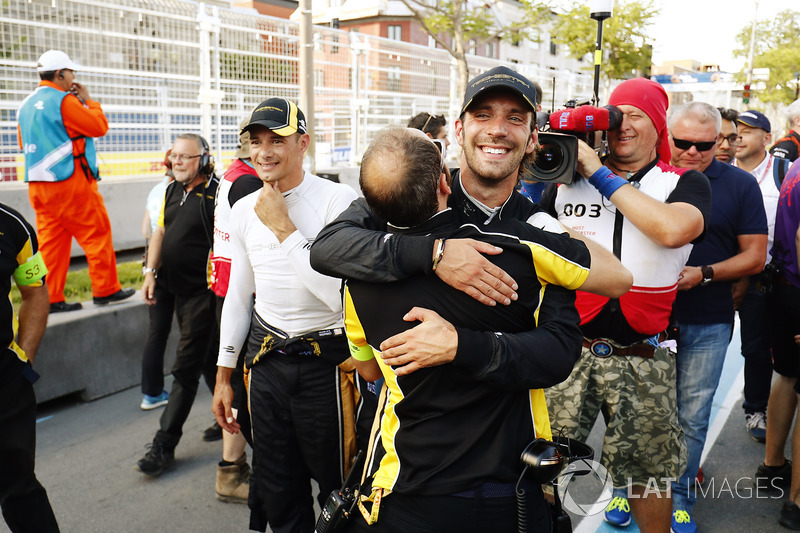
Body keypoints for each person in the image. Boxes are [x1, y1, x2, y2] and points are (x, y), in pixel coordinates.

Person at [341, 126, 599, 532]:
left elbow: (369, 371)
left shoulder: (358, 283)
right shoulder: (519, 248)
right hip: (508, 491)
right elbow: (562, 351)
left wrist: (452, 347)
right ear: (445, 181)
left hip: (407, 491)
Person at [540, 78, 711, 533]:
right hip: (569, 350)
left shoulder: (684, 182)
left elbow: (673, 231)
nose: (621, 124)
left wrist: (600, 173)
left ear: (659, 127)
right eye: (614, 114)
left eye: (635, 115)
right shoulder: (563, 179)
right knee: (542, 465)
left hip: (644, 354)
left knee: (648, 478)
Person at [211, 98, 363, 533]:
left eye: (276, 139)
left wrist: (283, 228)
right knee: (279, 492)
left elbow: (339, 299)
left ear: (303, 144)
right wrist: (224, 377)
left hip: (330, 365)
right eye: (255, 142)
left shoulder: (338, 201)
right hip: (265, 365)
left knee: (340, 494)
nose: (263, 151)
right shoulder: (243, 210)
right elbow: (240, 298)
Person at [667, 102, 767, 533]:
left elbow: (755, 255)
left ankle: (680, 493)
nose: (691, 151)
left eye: (703, 145)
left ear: (719, 142)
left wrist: (705, 275)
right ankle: (627, 487)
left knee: (692, 414)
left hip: (708, 319)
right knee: (639, 411)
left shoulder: (740, 186)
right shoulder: (648, 180)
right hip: (647, 321)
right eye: (682, 142)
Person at [16, 50, 133, 313]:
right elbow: (98, 127)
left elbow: (24, 144)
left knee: (49, 245)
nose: (74, 77)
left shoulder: (24, 104)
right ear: (60, 74)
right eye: (71, 73)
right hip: (71, 184)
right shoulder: (65, 102)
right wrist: (89, 101)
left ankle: (51, 298)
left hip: (38, 186)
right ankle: (106, 290)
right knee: (96, 233)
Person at [135, 133, 219, 477]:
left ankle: (163, 444)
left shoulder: (216, 195)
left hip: (203, 295)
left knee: (185, 367)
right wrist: (150, 272)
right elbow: (158, 233)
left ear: (203, 158)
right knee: (210, 363)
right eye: (174, 156)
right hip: (174, 289)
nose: (178, 162)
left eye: (186, 157)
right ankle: (237, 420)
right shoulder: (171, 191)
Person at [733, 110, 794, 442]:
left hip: (763, 277)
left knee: (757, 347)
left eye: (748, 131)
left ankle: (755, 408)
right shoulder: (723, 173)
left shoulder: (781, 173)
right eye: (736, 131)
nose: (739, 137)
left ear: (767, 138)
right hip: (721, 275)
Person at [208, 122, 260, 504]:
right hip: (240, 294)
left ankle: (232, 466)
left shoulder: (233, 174)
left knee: (238, 387)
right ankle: (230, 469)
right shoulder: (247, 183)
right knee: (240, 389)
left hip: (227, 288)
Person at [0, 202, 59, 532]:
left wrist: (25, 359)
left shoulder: (13, 226)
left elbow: (35, 293)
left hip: (7, 382)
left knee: (21, 489)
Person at [758, 162, 800, 529]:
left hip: (784, 284)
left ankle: (773, 465)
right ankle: (797, 501)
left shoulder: (798, 166)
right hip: (796, 288)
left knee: (786, 376)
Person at [138, 149, 174, 410]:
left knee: (157, 332)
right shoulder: (180, 192)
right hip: (173, 263)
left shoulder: (155, 190)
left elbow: (145, 230)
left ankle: (151, 393)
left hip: (152, 264)